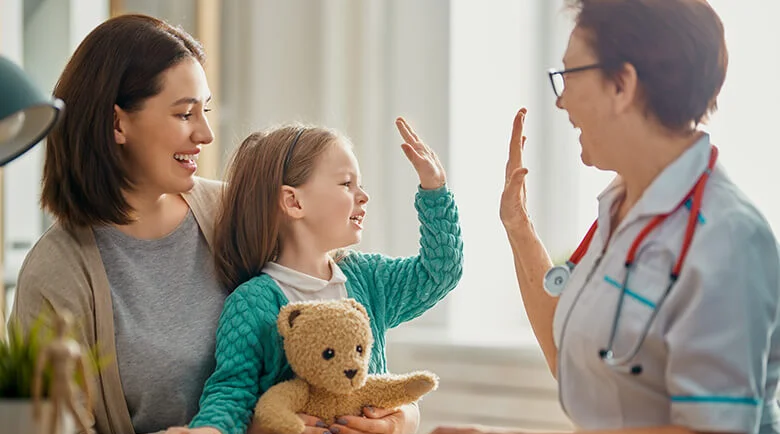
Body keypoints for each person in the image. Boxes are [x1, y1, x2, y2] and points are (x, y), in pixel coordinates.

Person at [433, 1, 780, 434]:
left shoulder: (728, 239)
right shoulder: (623, 209)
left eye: (570, 76)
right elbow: (574, 363)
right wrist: (519, 227)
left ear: (622, 84)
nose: (561, 102)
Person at [171, 119, 463, 434]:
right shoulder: (252, 303)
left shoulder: (368, 279)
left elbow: (441, 270)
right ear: (294, 202)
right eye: (346, 183)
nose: (363, 196)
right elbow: (232, 392)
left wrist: (435, 191)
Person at [10, 14, 225, 434]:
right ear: (117, 123)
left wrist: (395, 416)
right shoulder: (55, 273)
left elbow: (347, 297)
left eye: (206, 110)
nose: (205, 134)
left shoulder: (234, 210)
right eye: (185, 114)